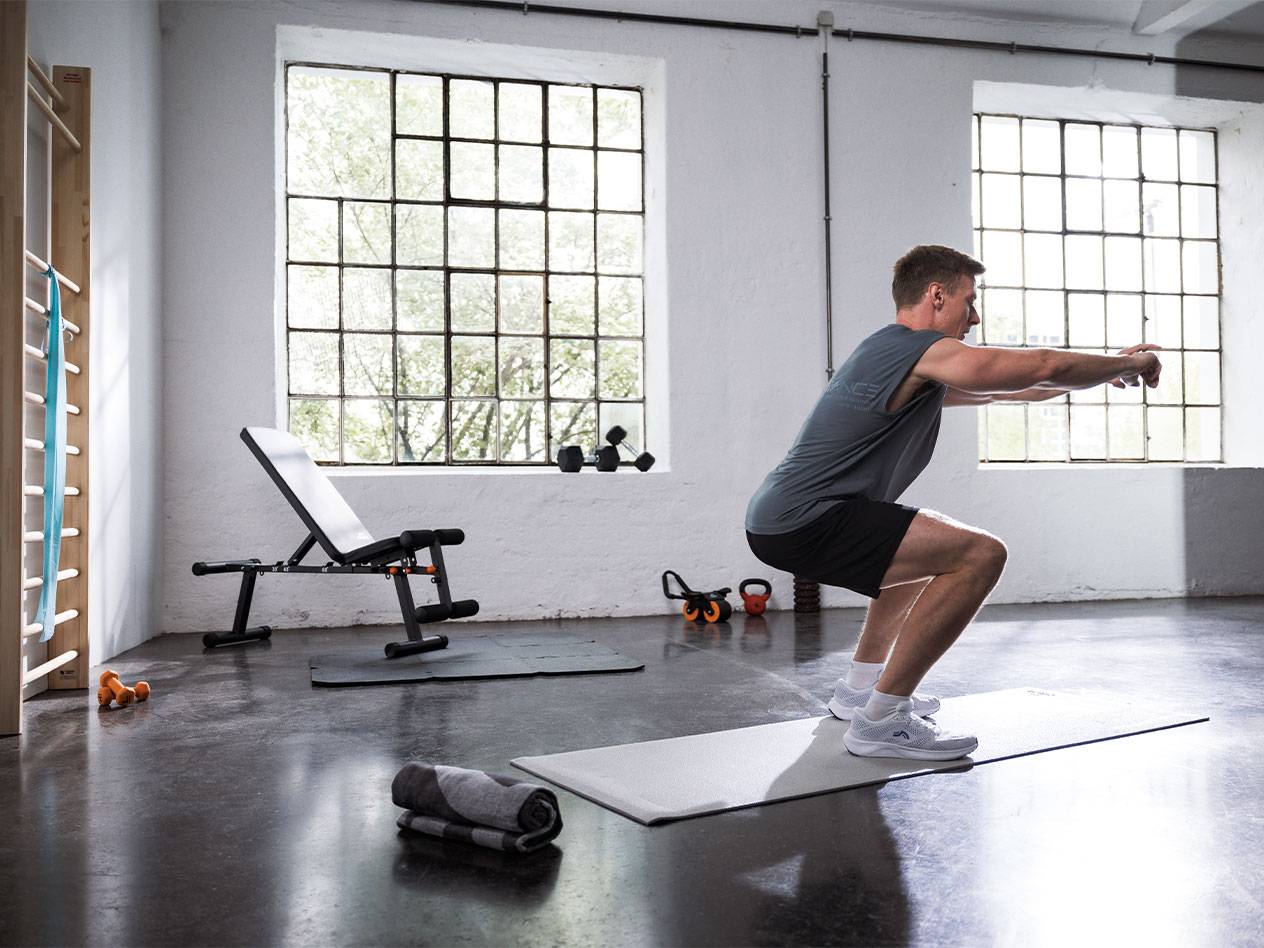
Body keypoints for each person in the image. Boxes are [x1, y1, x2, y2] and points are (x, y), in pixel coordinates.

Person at [745, 244, 1162, 762]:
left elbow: (1020, 388)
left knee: (923, 549)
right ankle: (882, 720)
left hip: (785, 518)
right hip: (804, 519)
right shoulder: (915, 348)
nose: (976, 314)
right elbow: (1043, 362)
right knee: (980, 554)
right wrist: (1137, 362)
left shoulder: (900, 357)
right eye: (970, 299)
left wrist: (1107, 368)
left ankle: (859, 691)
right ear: (937, 295)